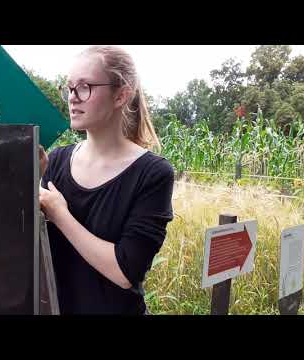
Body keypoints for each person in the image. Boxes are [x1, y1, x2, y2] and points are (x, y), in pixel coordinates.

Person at [39, 46, 174, 315]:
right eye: (69, 87)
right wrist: (28, 179)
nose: (73, 98)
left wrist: (59, 213)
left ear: (121, 95)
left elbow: (125, 271)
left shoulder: (152, 173)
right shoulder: (54, 162)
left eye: (85, 86)